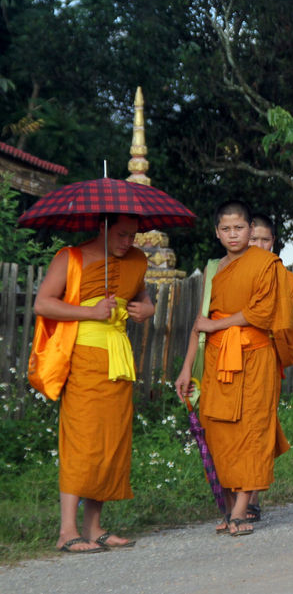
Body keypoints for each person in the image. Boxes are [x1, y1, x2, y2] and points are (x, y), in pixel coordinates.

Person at [33, 214, 154, 553]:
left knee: (110, 441)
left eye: (132, 235)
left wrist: (149, 308)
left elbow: (141, 296)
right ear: (102, 226)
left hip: (118, 359)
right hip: (83, 357)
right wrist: (89, 313)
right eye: (121, 234)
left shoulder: (136, 260)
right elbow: (42, 303)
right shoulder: (69, 257)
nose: (127, 242)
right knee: (82, 441)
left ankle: (94, 526)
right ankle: (66, 531)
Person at [175, 201, 293, 536]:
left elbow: (262, 313)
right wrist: (186, 369)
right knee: (218, 429)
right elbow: (201, 322)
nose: (233, 235)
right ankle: (229, 508)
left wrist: (218, 325)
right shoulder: (214, 269)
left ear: (250, 230)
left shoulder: (266, 263)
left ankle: (242, 509)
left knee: (252, 431)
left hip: (254, 357)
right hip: (215, 360)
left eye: (239, 228)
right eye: (225, 229)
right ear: (217, 232)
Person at [245, 214, 293, 522]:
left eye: (264, 240)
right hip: (228, 360)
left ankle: (251, 496)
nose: (258, 245)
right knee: (230, 429)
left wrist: (271, 334)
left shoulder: (287, 281)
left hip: (265, 359)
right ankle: (233, 494)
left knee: (259, 427)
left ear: (274, 245)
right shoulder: (230, 273)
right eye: (252, 239)